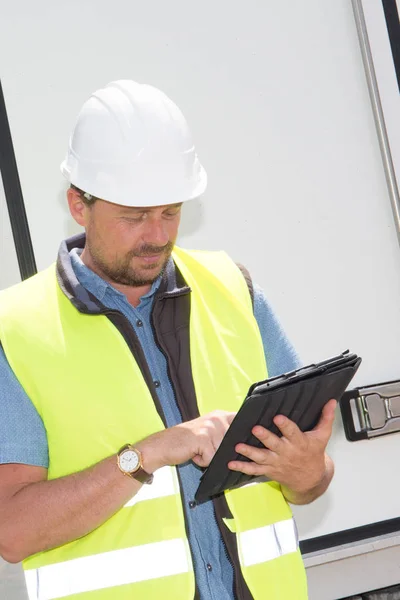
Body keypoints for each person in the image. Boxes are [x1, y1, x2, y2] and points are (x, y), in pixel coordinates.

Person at [0, 80, 335, 600]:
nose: (157, 235)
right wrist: (149, 453)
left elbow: (310, 479)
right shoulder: (15, 330)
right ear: (78, 204)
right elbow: (12, 532)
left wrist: (306, 471)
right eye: (134, 217)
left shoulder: (235, 290)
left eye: (170, 212)